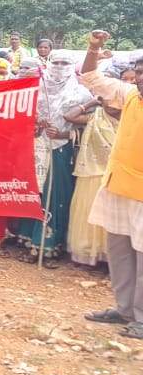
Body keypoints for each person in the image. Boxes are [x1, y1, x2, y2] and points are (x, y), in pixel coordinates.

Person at [81, 32, 143, 338]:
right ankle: (124, 309)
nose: (142, 78)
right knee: (119, 251)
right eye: (140, 72)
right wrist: (93, 48)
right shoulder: (129, 94)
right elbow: (90, 76)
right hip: (119, 185)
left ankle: (141, 319)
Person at [16, 54, 77, 264]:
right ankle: (28, 240)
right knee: (35, 191)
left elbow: (90, 124)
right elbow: (23, 116)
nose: (60, 67)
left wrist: (63, 134)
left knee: (55, 195)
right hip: (36, 147)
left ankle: (49, 244)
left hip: (61, 150)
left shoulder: (80, 92)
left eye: (65, 62)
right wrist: (36, 126)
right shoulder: (37, 88)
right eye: (56, 62)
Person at [65, 87, 116, 267]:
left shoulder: (131, 118)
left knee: (112, 218)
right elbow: (69, 117)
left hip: (115, 176)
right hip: (91, 173)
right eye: (107, 100)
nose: (111, 104)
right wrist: (91, 103)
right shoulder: (96, 116)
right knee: (87, 215)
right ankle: (88, 252)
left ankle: (109, 256)